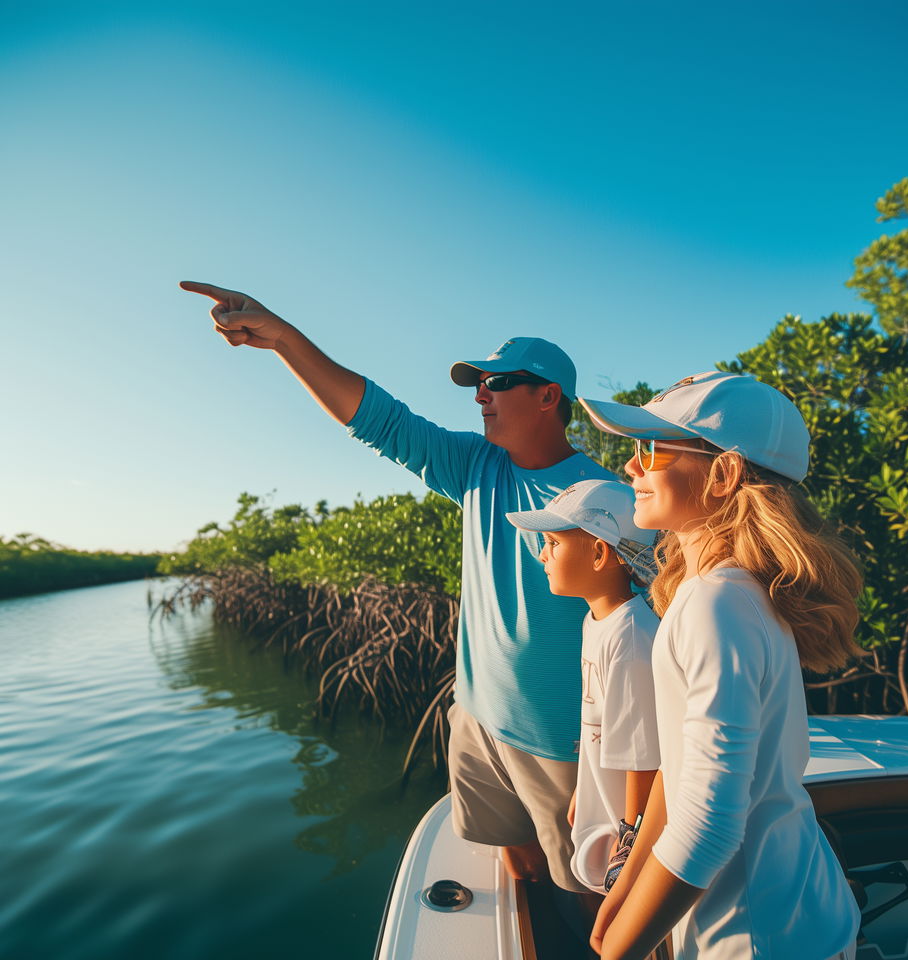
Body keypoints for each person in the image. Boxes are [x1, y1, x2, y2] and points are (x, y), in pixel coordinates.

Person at [180, 281, 617, 893]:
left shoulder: (605, 501)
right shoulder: (474, 466)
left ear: (548, 396)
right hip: (477, 718)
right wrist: (281, 338)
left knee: (587, 897)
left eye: (497, 383)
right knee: (517, 870)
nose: (481, 396)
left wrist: (613, 761)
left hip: (562, 742)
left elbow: (638, 630)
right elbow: (378, 419)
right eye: (477, 385)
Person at [578, 371, 863, 960]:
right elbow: (682, 772)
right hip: (783, 913)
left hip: (755, 935)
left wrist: (620, 951)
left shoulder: (718, 602)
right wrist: (629, 881)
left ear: (724, 473)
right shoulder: (724, 592)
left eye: (651, 448)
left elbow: (708, 823)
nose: (631, 467)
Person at [505, 479, 660, 901]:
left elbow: (644, 759)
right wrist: (583, 789)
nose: (542, 555)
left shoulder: (630, 636)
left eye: (553, 543)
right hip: (602, 813)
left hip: (622, 834)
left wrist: (627, 848)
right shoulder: (599, 622)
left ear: (599, 553)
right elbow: (603, 723)